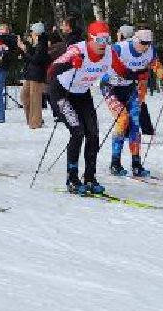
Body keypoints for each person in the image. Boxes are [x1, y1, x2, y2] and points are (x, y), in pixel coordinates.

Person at [46, 21, 119, 195]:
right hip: (62, 92)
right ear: (90, 39)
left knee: (93, 134)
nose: (104, 45)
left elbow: (121, 70)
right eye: (100, 40)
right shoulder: (77, 50)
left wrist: (138, 74)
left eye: (107, 40)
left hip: (82, 94)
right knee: (77, 132)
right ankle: (72, 178)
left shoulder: (109, 53)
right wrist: (71, 64)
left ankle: (90, 178)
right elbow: (51, 71)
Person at [104, 27, 158, 178]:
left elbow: (154, 62)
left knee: (135, 124)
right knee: (123, 119)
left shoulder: (150, 50)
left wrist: (160, 71)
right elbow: (104, 62)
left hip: (129, 88)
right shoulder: (121, 48)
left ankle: (136, 164)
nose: (145, 46)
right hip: (111, 88)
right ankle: (115, 163)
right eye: (143, 43)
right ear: (135, 40)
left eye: (148, 43)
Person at [20, 22, 49, 129]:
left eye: (32, 32)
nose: (31, 34)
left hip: (37, 73)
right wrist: (26, 48)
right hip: (31, 73)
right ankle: (31, 119)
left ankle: (36, 122)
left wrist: (25, 50)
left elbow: (36, 59)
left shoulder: (42, 43)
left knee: (35, 98)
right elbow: (31, 56)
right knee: (25, 95)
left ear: (36, 33)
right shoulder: (36, 43)